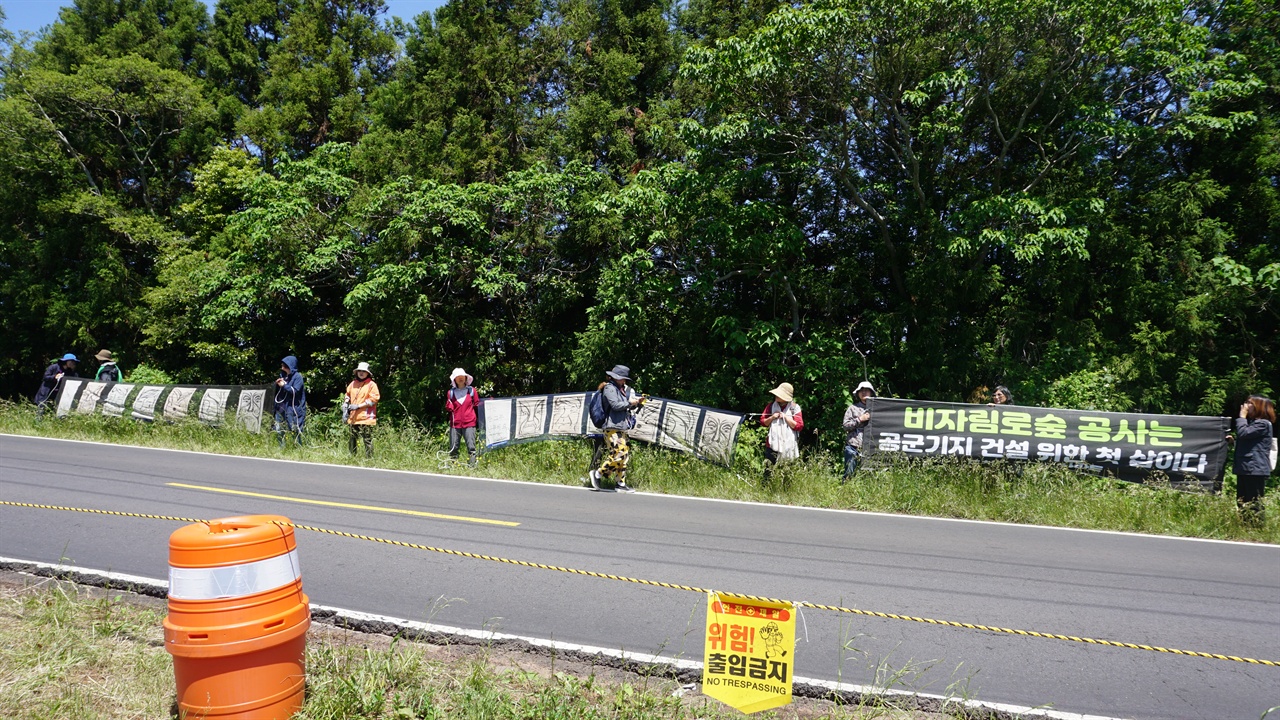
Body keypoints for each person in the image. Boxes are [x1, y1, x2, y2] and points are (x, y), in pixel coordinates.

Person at [587, 365, 644, 492]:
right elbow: (616, 405)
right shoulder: (609, 388)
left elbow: (625, 407)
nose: (624, 381)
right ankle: (598, 474)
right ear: (615, 377)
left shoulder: (621, 389)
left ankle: (620, 484)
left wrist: (637, 403)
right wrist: (631, 403)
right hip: (612, 427)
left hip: (621, 427)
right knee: (620, 453)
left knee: (624, 456)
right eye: (622, 378)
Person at [1233, 395, 1275, 523]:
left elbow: (1244, 433)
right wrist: (1233, 442)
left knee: (1254, 500)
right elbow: (1249, 443)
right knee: (1242, 499)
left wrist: (1242, 417)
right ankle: (1245, 525)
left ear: (1259, 406)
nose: (1246, 406)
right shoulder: (1253, 424)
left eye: (1249, 403)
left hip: (1255, 468)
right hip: (1246, 467)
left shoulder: (1263, 424)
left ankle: (1256, 526)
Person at [759, 382, 803, 485]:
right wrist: (772, 417)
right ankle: (765, 487)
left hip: (789, 443)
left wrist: (786, 418)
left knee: (787, 469)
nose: (776, 396)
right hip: (772, 442)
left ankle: (786, 489)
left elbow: (799, 426)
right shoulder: (770, 406)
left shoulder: (794, 408)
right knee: (768, 468)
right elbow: (763, 422)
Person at [445, 368, 482, 466]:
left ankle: (472, 465)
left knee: (471, 447)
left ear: (466, 378)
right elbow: (448, 406)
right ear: (454, 379)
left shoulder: (472, 391)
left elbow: (477, 405)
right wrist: (449, 407)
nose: (460, 378)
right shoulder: (451, 393)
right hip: (455, 424)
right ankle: (453, 465)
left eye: (462, 376)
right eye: (458, 377)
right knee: (453, 447)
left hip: (469, 423)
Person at [344, 362, 380, 457]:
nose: (361, 373)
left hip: (366, 416)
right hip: (353, 416)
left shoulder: (372, 385)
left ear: (367, 373)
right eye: (359, 371)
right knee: (352, 438)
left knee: (367, 439)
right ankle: (352, 456)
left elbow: (374, 399)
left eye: (364, 371)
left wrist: (359, 406)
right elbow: (347, 394)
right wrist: (346, 403)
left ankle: (369, 458)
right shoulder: (353, 384)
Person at [842, 381, 875, 481]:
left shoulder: (877, 409)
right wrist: (860, 419)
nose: (864, 393)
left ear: (871, 393)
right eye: (861, 391)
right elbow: (845, 426)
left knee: (868, 477)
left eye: (866, 391)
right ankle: (845, 493)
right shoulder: (852, 408)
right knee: (849, 474)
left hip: (871, 448)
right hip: (853, 447)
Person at [273, 355, 307, 447]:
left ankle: (298, 448)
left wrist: (284, 386)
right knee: (279, 429)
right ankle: (282, 448)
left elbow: (295, 391)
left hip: (292, 408)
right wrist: (278, 384)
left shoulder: (297, 377)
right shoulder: (283, 376)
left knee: (294, 428)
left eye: (284, 364)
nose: (282, 365)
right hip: (281, 407)